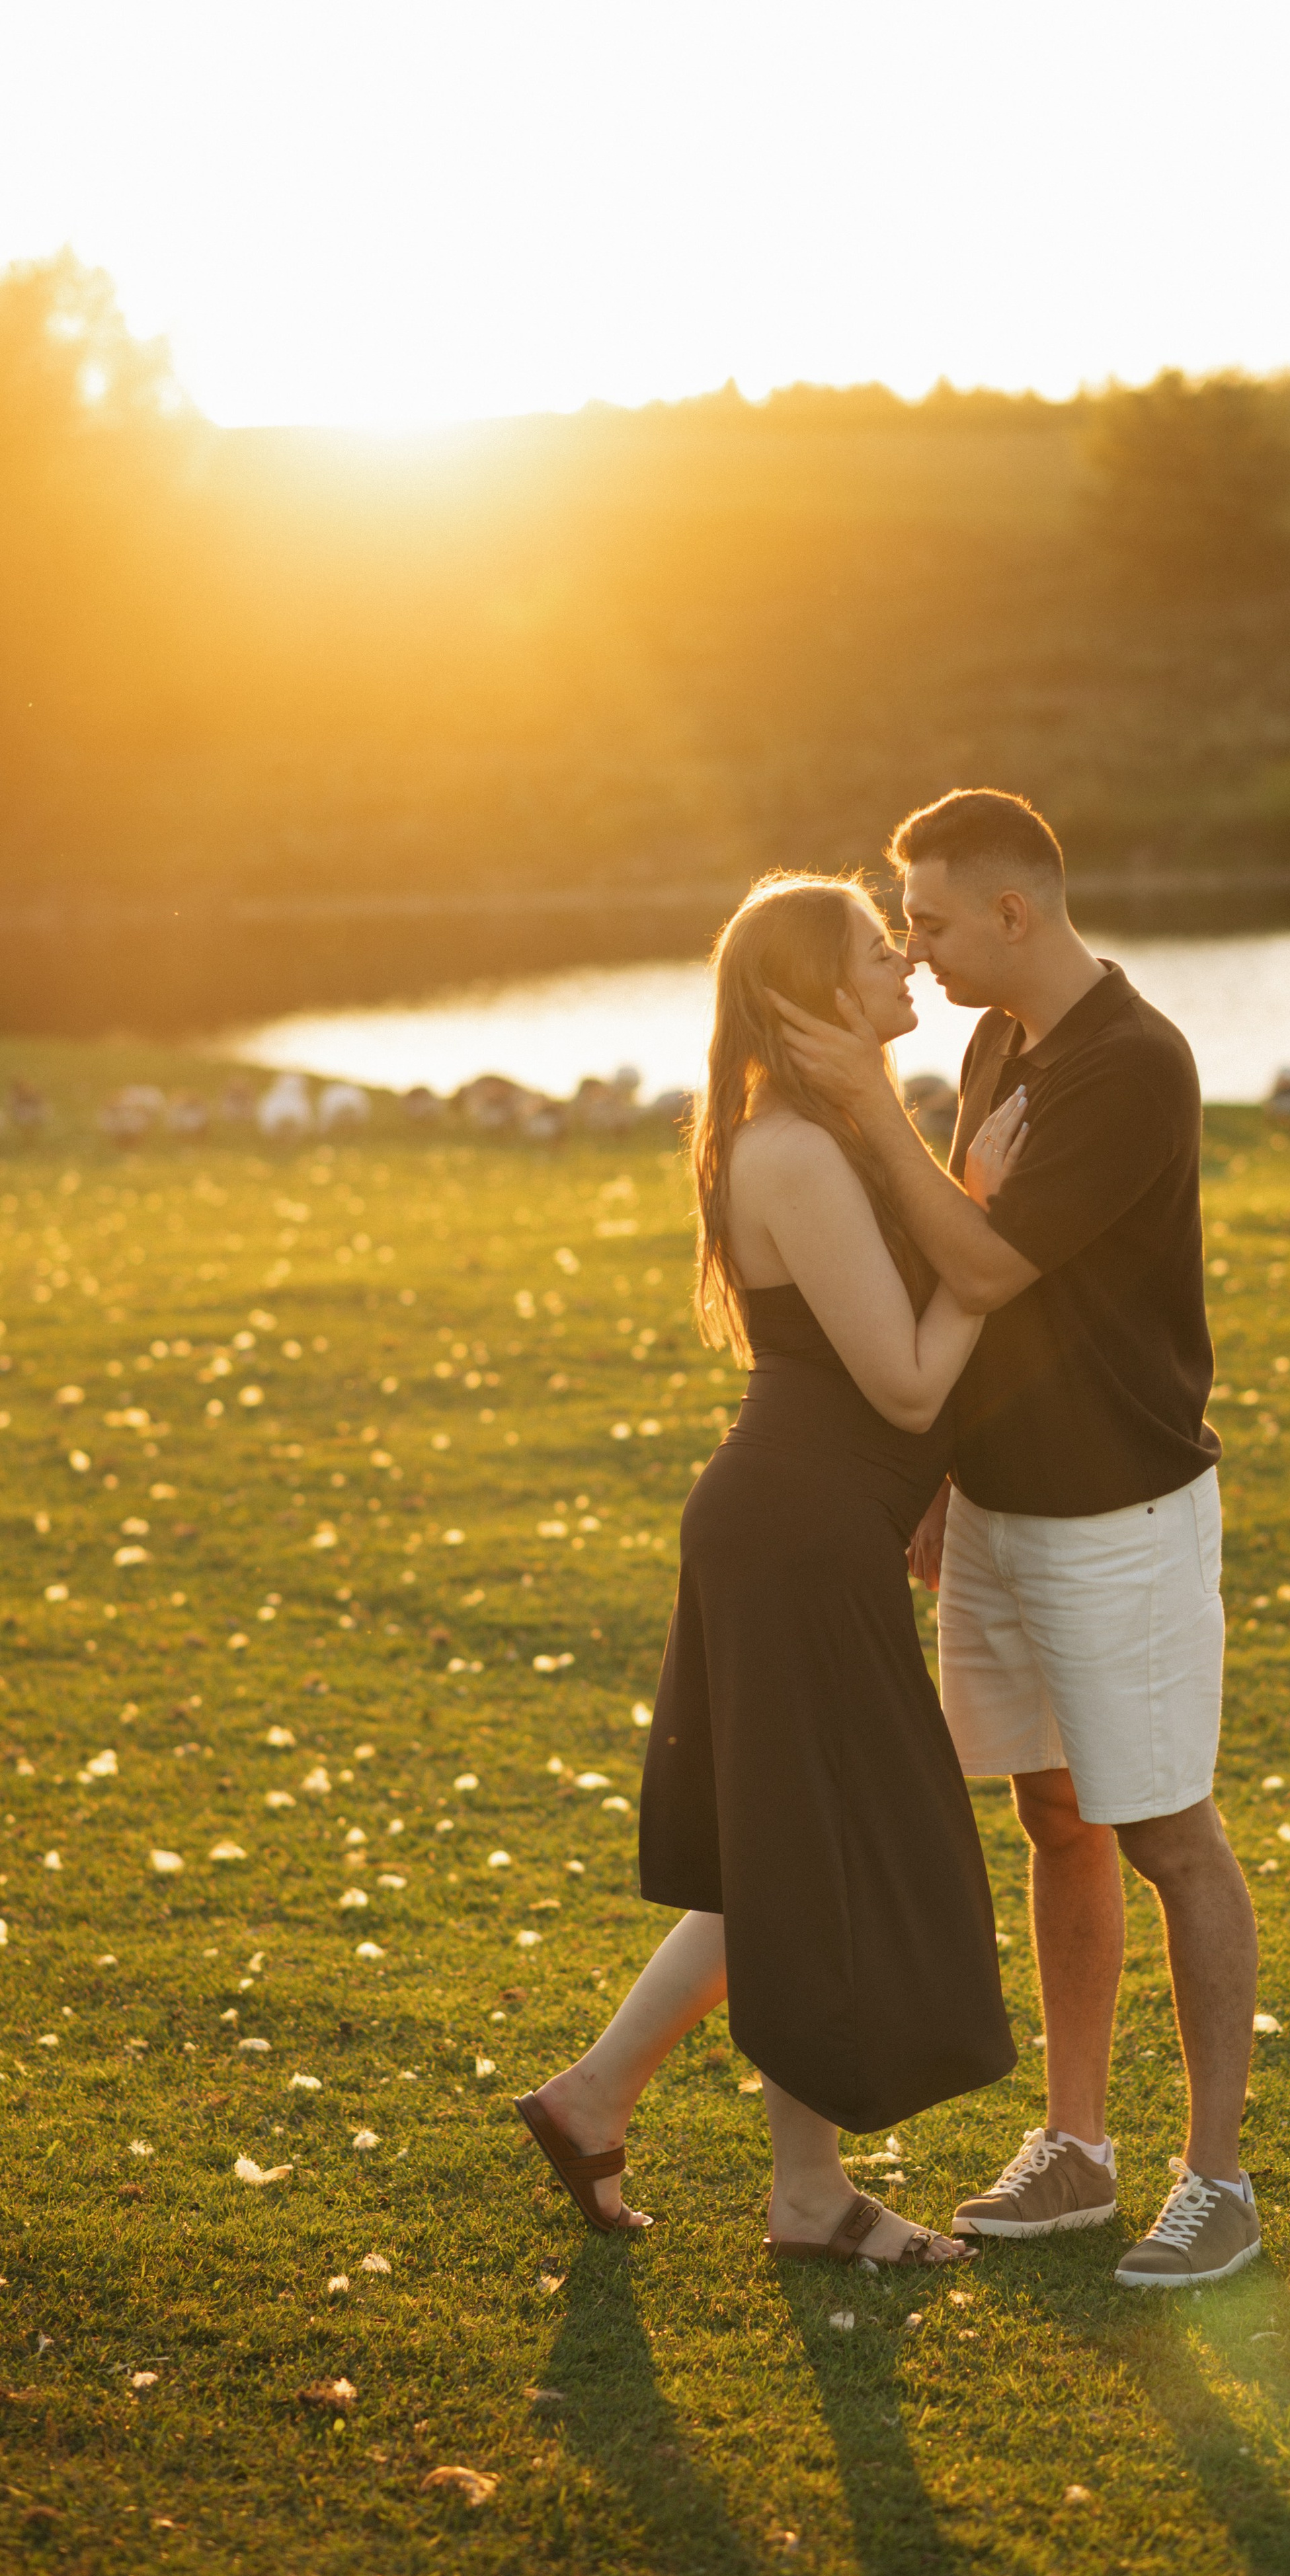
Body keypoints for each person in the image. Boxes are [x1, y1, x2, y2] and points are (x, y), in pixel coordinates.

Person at [771, 788, 1261, 2290]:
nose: (907, 952)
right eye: (897, 926)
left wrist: (865, 1106)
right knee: (1052, 1819)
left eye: (922, 918)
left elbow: (976, 1256)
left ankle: (1217, 2181)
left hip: (1118, 1514)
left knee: (1166, 1834)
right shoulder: (1000, 1041)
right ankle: (1076, 2149)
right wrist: (936, 1488)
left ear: (1012, 911)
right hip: (997, 1504)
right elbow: (979, 1278)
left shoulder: (1130, 1064)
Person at [516, 871, 1020, 2269]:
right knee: (817, 1855)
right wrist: (991, 1225)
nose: (904, 965)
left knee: (784, 1856)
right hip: (792, 1534)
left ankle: (603, 2099)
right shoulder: (788, 1151)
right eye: (875, 951)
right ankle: (792, 2192)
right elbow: (912, 1386)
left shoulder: (830, 1132)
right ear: (810, 991)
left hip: (809, 1527)